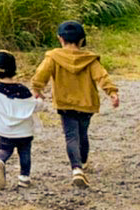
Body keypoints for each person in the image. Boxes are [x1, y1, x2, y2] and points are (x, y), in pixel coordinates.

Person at [31, 20, 119, 188]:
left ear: (60, 38)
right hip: (87, 104)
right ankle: (83, 161)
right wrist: (112, 92)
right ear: (81, 40)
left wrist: (37, 89)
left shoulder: (53, 57)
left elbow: (41, 74)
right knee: (82, 133)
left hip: (65, 104)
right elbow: (102, 77)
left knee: (71, 136)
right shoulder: (90, 59)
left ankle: (77, 169)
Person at [0, 50, 37, 189]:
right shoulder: (24, 90)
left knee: (5, 149)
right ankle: (24, 178)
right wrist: (39, 98)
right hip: (25, 131)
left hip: (5, 130)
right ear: (14, 69)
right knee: (25, 153)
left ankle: (0, 160)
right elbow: (35, 106)